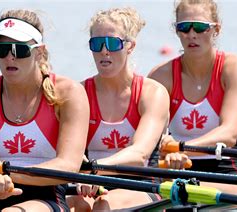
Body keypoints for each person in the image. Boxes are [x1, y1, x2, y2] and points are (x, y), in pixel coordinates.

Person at [0, 9, 90, 211]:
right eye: (1, 49)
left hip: (47, 193)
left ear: (39, 51)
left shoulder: (69, 93)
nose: (9, 58)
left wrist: (4, 174)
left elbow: (68, 166)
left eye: (18, 50)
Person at [66, 7, 178, 211]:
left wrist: (94, 169)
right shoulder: (79, 93)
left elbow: (139, 154)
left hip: (142, 184)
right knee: (72, 205)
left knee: (103, 206)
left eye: (112, 43)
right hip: (91, 182)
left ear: (130, 46)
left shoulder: (152, 93)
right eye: (97, 44)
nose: (104, 51)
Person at [148, 0, 237, 194]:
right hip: (174, 170)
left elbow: (229, 133)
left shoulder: (234, 68)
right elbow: (148, 134)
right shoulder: (160, 76)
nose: (192, 34)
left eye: (200, 27)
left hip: (225, 170)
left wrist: (179, 148)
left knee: (187, 192)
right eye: (184, 27)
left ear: (216, 29)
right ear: (177, 31)